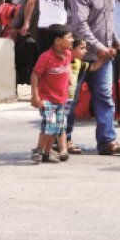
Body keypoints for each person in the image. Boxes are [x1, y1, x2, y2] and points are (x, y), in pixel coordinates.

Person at [66, 0, 120, 156]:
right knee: (71, 99)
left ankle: (107, 142)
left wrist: (114, 40)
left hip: (103, 57)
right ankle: (63, 140)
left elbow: (107, 21)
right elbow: (80, 26)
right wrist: (100, 47)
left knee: (104, 98)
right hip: (79, 56)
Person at [30, 24, 77, 163]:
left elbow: (67, 67)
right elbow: (35, 74)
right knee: (49, 126)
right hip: (47, 99)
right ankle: (39, 150)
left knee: (57, 128)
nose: (72, 40)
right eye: (69, 37)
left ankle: (46, 152)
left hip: (62, 99)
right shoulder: (46, 57)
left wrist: (69, 81)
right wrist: (35, 95)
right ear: (58, 41)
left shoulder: (67, 54)